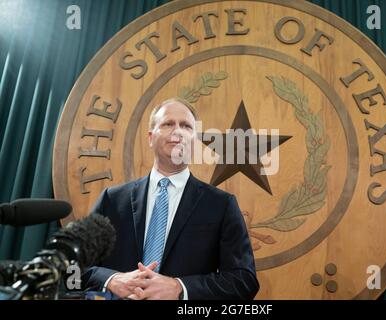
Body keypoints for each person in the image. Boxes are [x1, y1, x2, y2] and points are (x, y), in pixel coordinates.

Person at [82, 97, 259, 300]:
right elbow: (72, 267)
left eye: (186, 126)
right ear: (150, 137)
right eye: (168, 124)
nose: (177, 131)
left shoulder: (221, 205)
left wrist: (179, 287)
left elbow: (244, 281)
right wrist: (111, 279)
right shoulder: (112, 200)